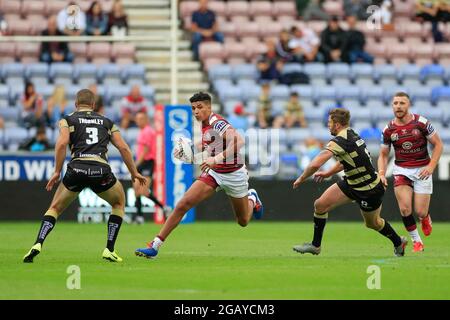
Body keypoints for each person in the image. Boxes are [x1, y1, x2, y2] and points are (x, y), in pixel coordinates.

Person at [23, 89, 147, 263]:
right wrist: (134, 172)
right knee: (118, 203)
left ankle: (38, 243)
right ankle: (109, 249)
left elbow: (61, 144)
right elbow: (124, 148)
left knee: (55, 208)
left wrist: (57, 171)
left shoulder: (66, 120)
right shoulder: (107, 122)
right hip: (100, 171)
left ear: (75, 104)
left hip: (77, 170)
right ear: (94, 105)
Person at [135, 92, 264, 258]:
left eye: (200, 107)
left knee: (243, 221)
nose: (196, 111)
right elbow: (208, 142)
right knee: (183, 204)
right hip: (215, 173)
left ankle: (252, 198)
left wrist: (216, 158)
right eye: (193, 108)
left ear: (209, 107)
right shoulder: (203, 124)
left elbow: (239, 141)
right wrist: (189, 148)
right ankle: (155, 246)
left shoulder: (216, 122)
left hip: (234, 175)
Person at [292, 108, 408, 257]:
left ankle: (399, 242)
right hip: (351, 183)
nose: (328, 125)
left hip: (369, 189)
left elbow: (315, 164)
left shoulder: (341, 140)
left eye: (329, 122)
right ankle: (315, 246)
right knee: (320, 205)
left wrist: (301, 178)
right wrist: (328, 173)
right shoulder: (351, 134)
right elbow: (345, 162)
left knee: (373, 223)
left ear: (337, 125)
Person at [378, 92, 443, 252]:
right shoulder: (388, 129)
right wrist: (381, 173)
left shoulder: (421, 123)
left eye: (402, 103)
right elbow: (383, 154)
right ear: (392, 106)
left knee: (420, 211)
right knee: (405, 209)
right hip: (401, 169)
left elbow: (438, 145)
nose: (398, 106)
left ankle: (425, 217)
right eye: (395, 103)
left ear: (409, 105)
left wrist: (431, 166)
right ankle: (416, 241)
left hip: (423, 169)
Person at [133, 111, 171, 224]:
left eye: (140, 119)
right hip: (141, 163)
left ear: (145, 120)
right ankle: (139, 217)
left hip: (147, 163)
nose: (137, 121)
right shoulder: (142, 131)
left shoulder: (148, 131)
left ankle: (164, 207)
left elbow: (146, 150)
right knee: (136, 190)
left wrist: (136, 164)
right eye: (137, 119)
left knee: (144, 190)